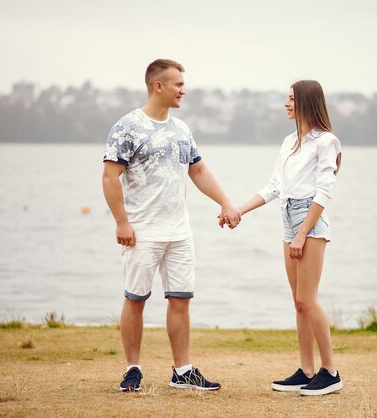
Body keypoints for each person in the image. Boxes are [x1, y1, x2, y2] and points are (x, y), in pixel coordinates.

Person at [102, 58, 240, 392]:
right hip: (141, 231)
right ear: (157, 86)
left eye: (183, 84)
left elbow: (198, 170)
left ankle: (183, 371)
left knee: (180, 299)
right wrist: (122, 222)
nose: (183, 90)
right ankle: (133, 368)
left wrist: (224, 201)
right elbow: (110, 176)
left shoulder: (181, 130)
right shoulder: (127, 127)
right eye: (178, 84)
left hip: (179, 232)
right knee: (136, 299)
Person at [235, 80, 343, 396]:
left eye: (292, 99)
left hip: (308, 221)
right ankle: (307, 370)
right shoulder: (289, 142)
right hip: (288, 219)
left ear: (307, 103)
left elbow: (325, 192)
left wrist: (302, 232)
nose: (286, 104)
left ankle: (331, 372)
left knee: (308, 299)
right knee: (299, 303)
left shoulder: (326, 142)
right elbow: (274, 187)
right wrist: (239, 210)